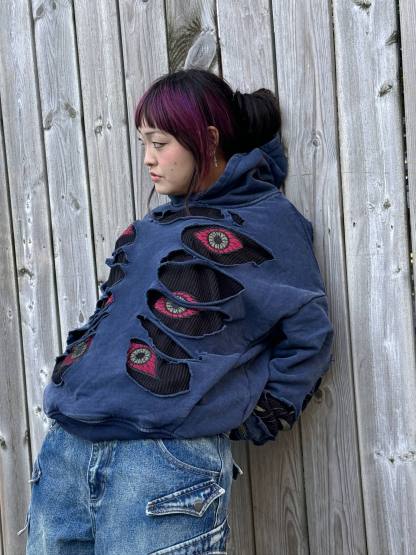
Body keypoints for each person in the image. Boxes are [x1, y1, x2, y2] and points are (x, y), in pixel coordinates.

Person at [19, 68, 334, 554]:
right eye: (143, 142)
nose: (148, 158)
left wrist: (258, 414)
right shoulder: (149, 228)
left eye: (160, 143)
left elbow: (309, 332)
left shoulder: (268, 223)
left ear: (207, 139)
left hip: (160, 463)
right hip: (67, 451)